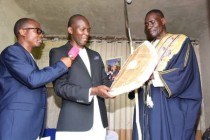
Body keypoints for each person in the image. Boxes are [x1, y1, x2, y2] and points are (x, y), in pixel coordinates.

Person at [129, 9, 202, 140]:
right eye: (146, 24)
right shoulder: (146, 49)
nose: (149, 26)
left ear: (163, 21)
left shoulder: (180, 41)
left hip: (166, 103)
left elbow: (184, 72)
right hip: (145, 103)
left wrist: (153, 75)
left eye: (152, 22)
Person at [0, 18, 73, 140]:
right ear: (23, 31)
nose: (42, 35)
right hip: (16, 124)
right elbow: (33, 79)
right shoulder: (13, 51)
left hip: (30, 125)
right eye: (38, 31)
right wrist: (62, 65)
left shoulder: (28, 58)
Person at [49, 14, 114, 140]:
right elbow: (60, 87)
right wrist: (92, 91)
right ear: (70, 30)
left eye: (88, 30)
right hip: (74, 124)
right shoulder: (58, 52)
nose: (86, 33)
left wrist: (124, 82)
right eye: (82, 29)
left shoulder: (95, 55)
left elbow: (105, 81)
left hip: (99, 124)